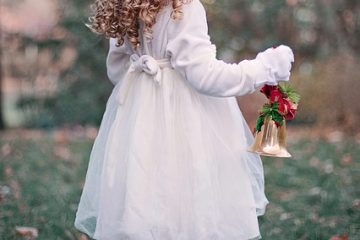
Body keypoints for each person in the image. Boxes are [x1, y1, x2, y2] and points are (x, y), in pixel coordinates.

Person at [74, 0, 294, 239]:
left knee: (145, 187)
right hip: (184, 118)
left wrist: (145, 83)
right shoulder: (184, 7)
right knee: (185, 192)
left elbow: (116, 71)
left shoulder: (124, 7)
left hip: (139, 118)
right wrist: (264, 67)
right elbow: (206, 76)